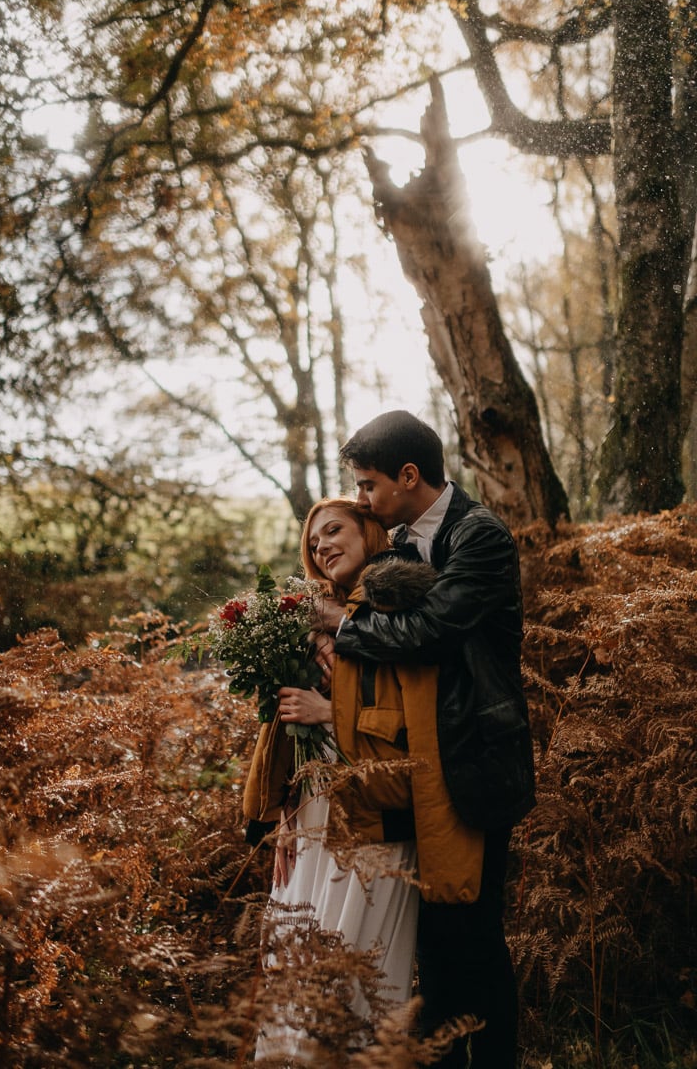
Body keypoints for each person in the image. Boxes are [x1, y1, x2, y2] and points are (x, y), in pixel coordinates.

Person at [318, 410, 536, 1069]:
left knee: (474, 935)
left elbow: (430, 633)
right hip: (422, 768)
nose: (361, 499)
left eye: (367, 485)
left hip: (476, 762)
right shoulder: (404, 542)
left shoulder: (481, 537)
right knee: (434, 942)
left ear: (408, 476)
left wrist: (338, 626)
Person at [244, 498, 484, 1064]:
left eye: (334, 530)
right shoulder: (304, 616)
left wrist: (330, 712)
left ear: (369, 530)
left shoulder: (402, 606)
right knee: (297, 958)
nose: (322, 544)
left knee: (359, 960)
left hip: (376, 810)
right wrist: (283, 818)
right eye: (313, 540)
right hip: (310, 813)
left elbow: (420, 719)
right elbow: (282, 735)